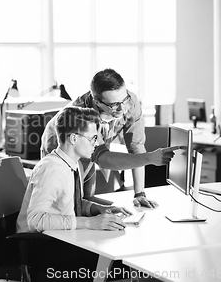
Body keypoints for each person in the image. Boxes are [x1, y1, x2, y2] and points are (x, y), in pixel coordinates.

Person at [16, 107, 138, 281]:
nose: (96, 144)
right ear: (73, 138)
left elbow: (68, 202)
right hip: (42, 247)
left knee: (121, 256)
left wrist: (99, 209)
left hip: (63, 238)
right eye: (93, 138)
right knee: (123, 264)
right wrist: (89, 223)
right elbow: (35, 220)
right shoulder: (51, 170)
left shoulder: (71, 164)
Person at [41, 68, 169, 208]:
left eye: (124, 99)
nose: (122, 109)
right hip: (62, 146)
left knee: (88, 198)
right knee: (68, 203)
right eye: (114, 105)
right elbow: (102, 158)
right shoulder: (81, 116)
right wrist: (150, 158)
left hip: (92, 149)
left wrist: (140, 194)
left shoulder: (130, 102)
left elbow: (136, 146)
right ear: (97, 101)